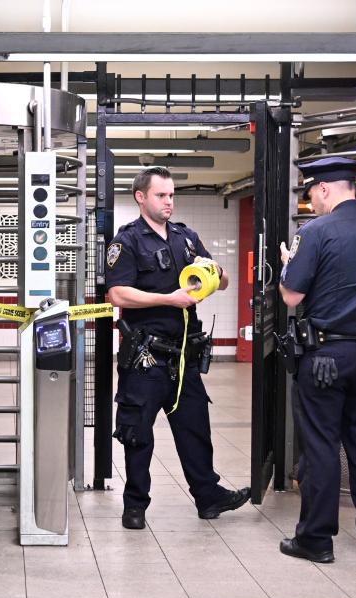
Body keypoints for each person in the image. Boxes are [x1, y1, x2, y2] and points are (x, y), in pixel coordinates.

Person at [105, 166, 251, 530]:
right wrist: (168, 299)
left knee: (194, 428)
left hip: (185, 355)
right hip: (146, 356)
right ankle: (135, 505)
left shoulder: (186, 238)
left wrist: (216, 273)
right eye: (161, 195)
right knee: (137, 433)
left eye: (171, 195)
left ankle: (208, 497)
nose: (169, 201)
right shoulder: (128, 242)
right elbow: (117, 294)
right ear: (141, 197)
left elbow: (223, 278)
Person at [278, 156, 356, 563]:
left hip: (325, 356)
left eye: (312, 193)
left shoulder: (316, 232)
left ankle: (315, 539)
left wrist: (287, 268)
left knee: (321, 446)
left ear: (326, 189)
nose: (311, 201)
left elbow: (292, 296)